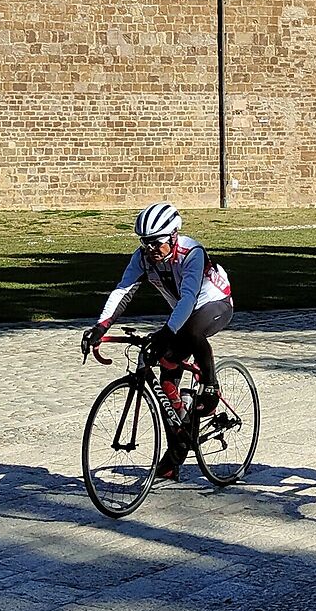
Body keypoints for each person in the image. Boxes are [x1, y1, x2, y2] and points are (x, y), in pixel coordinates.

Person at [81, 202, 233, 478]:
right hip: (182, 310)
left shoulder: (192, 252)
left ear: (173, 236)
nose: (150, 250)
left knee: (190, 332)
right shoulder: (142, 258)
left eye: (155, 243)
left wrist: (166, 332)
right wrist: (100, 327)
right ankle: (176, 455)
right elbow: (123, 291)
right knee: (165, 381)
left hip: (214, 303)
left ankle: (210, 386)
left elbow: (189, 298)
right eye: (144, 243)